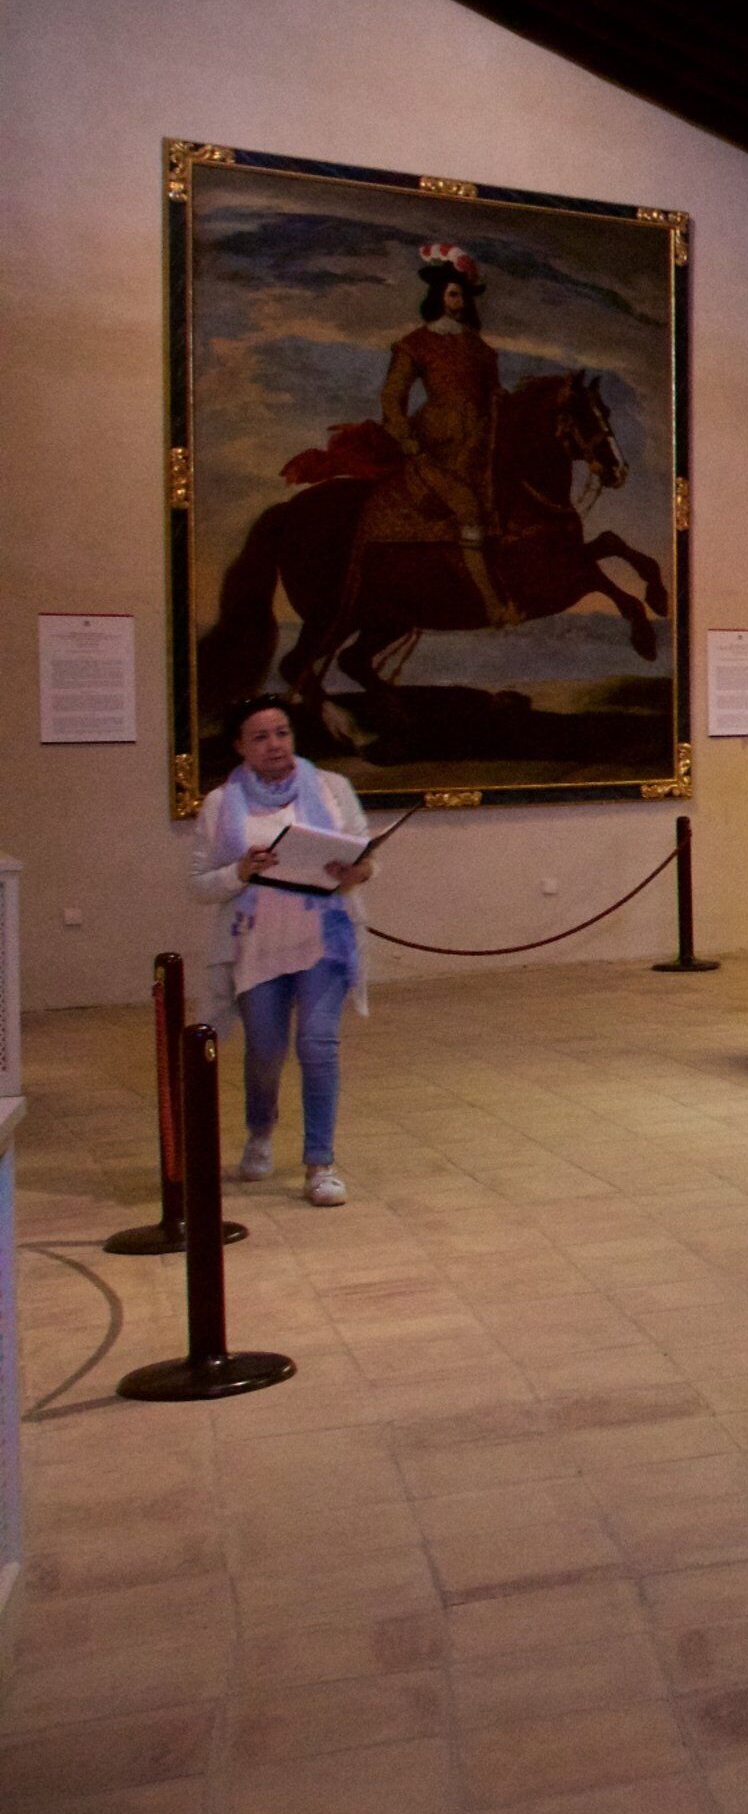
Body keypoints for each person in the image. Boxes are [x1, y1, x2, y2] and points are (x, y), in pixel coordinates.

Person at [188, 696, 375, 1207]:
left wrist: (355, 872)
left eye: (282, 733)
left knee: (318, 1046)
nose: (275, 745)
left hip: (323, 939)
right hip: (256, 944)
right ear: (240, 748)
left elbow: (363, 854)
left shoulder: (332, 788)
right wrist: (240, 872)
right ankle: (261, 1130)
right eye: (261, 737)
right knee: (266, 1050)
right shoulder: (222, 804)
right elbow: (201, 885)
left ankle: (321, 1162)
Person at [368, 243, 516, 626]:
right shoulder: (415, 344)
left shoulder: (480, 349)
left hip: (480, 443)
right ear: (438, 296)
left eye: (463, 294)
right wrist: (405, 438)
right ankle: (490, 604)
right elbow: (392, 395)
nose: (459, 300)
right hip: (433, 446)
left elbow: (495, 394)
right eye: (453, 293)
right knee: (467, 507)